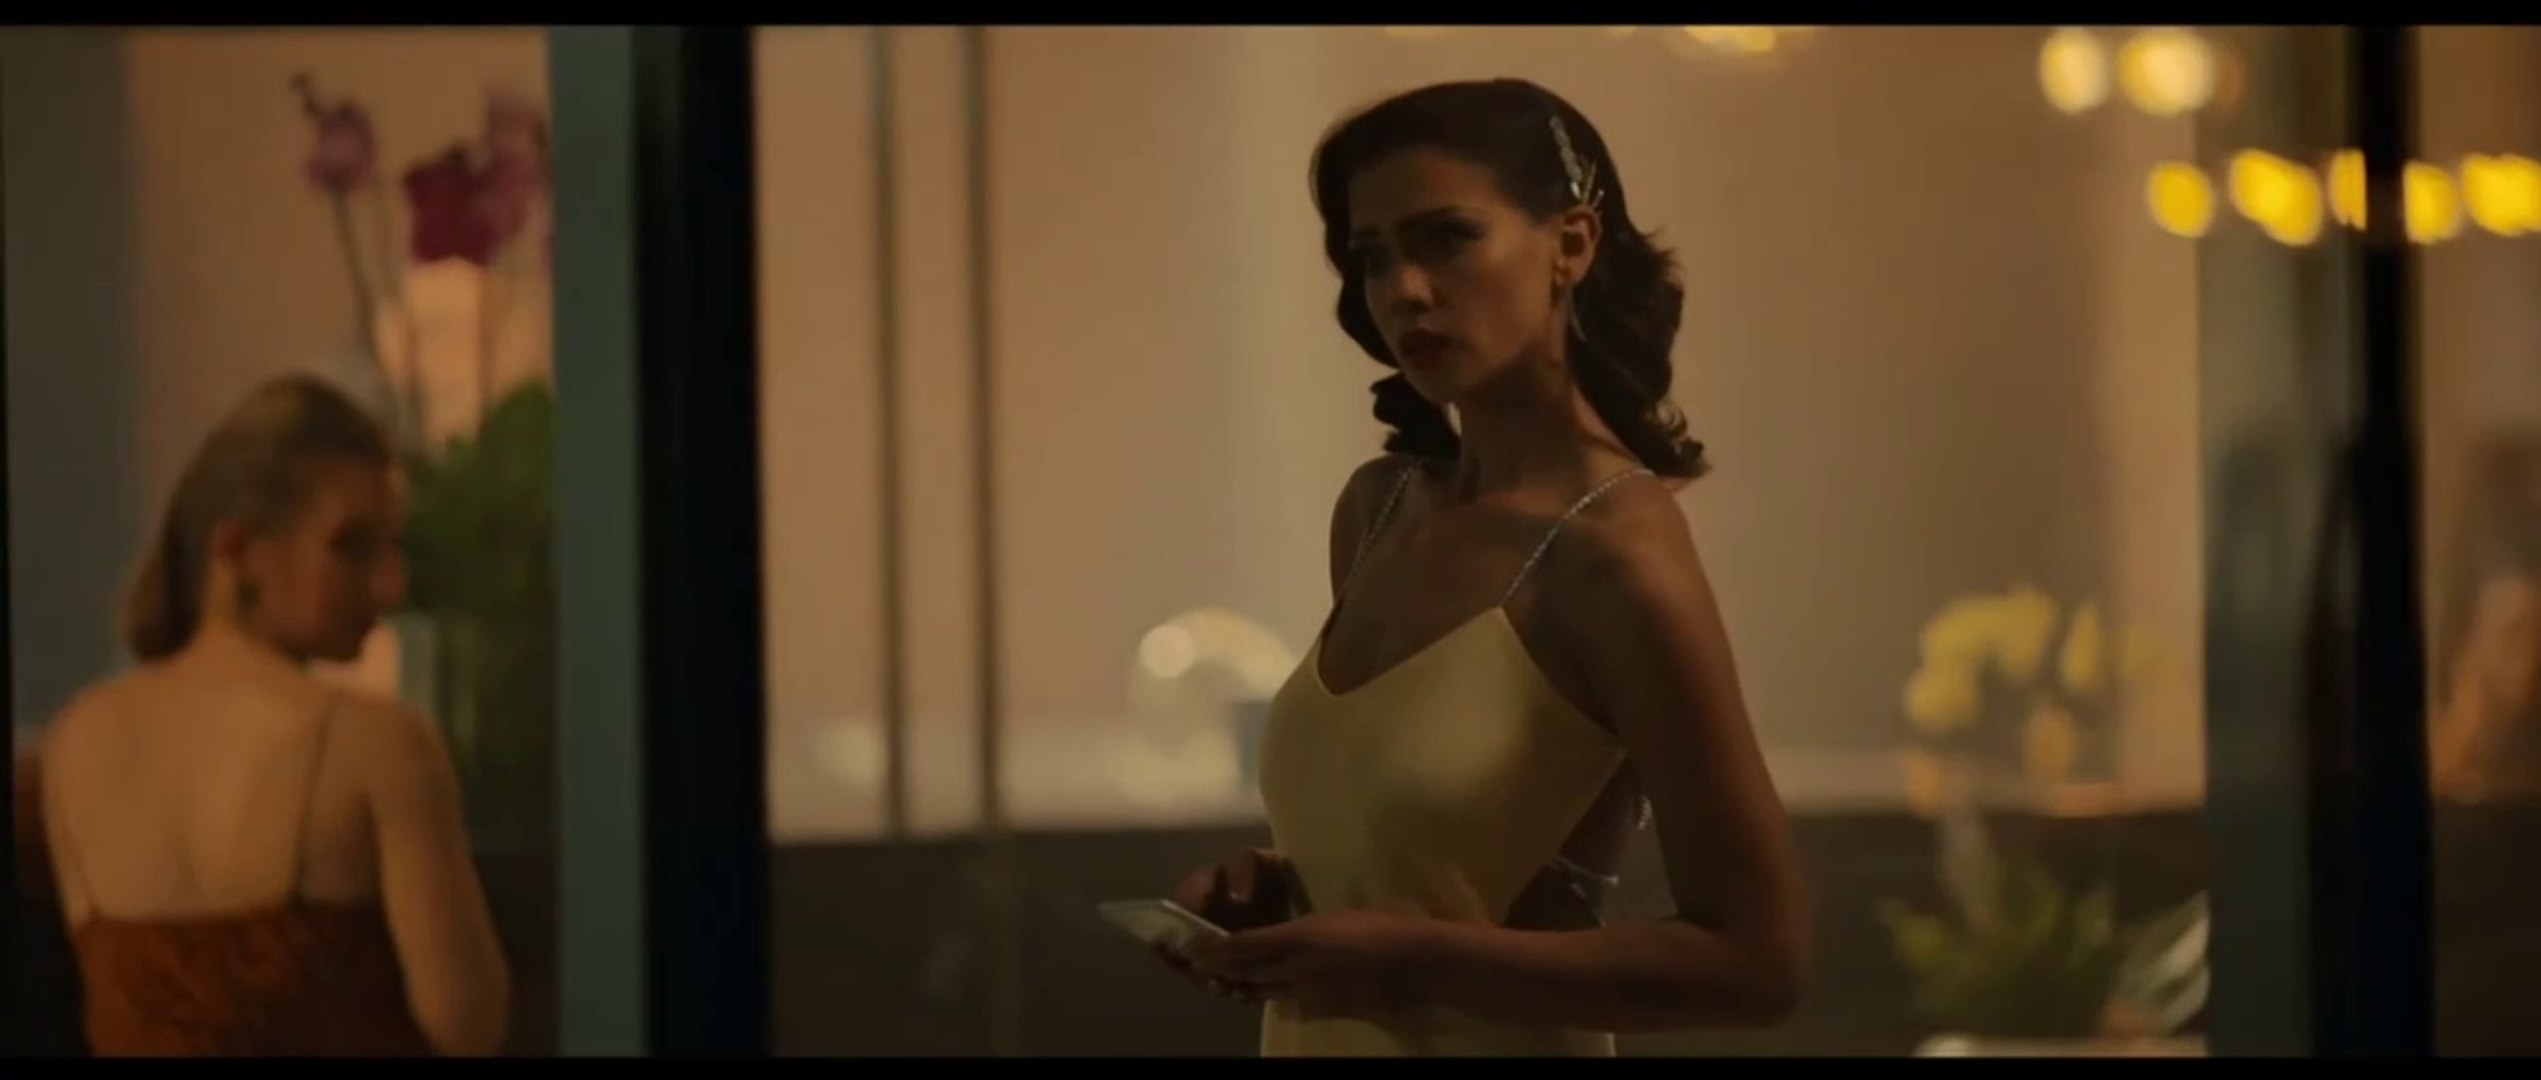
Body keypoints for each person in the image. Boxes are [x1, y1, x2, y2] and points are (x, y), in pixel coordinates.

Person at [1159, 79, 1808, 1057]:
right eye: (1372, 257)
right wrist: (1278, 895)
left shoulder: (1613, 556)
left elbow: (1758, 964)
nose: (1403, 290)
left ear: (1570, 245)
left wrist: (1412, 959)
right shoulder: (1379, 511)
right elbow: (1441, 854)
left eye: (1446, 239)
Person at [34, 375, 510, 1056]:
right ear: (238, 552)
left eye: (390, 547)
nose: (389, 585)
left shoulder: (73, 743)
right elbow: (468, 1027)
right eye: (351, 545)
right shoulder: (381, 748)